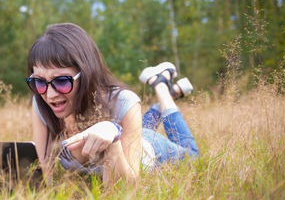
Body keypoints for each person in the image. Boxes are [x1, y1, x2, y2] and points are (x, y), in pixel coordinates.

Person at [26, 23, 198, 186]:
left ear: (85, 74)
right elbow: (43, 174)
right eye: (39, 82)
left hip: (152, 149)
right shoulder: (41, 102)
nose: (50, 94)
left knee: (192, 155)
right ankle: (170, 93)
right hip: (132, 129)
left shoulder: (124, 101)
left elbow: (122, 191)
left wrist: (113, 138)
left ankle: (161, 86)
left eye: (62, 81)